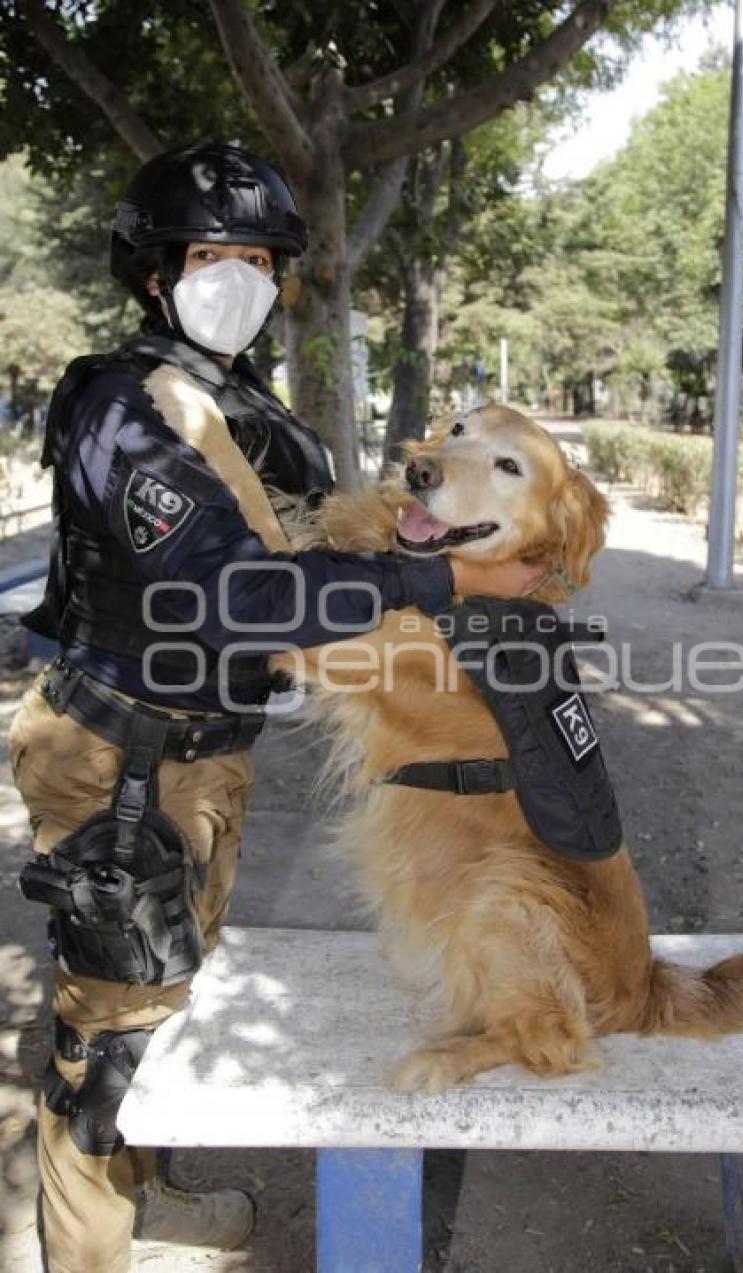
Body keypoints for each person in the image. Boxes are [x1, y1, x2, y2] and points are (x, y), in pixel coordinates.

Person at [9, 142, 541, 1273]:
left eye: (258, 258)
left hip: (200, 752)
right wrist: (440, 578)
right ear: (155, 270)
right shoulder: (129, 410)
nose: (237, 278)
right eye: (212, 255)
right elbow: (231, 593)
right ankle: (92, 1249)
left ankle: (144, 1194)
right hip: (117, 757)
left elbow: (310, 544)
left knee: (165, 995)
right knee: (103, 1032)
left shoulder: (230, 402)